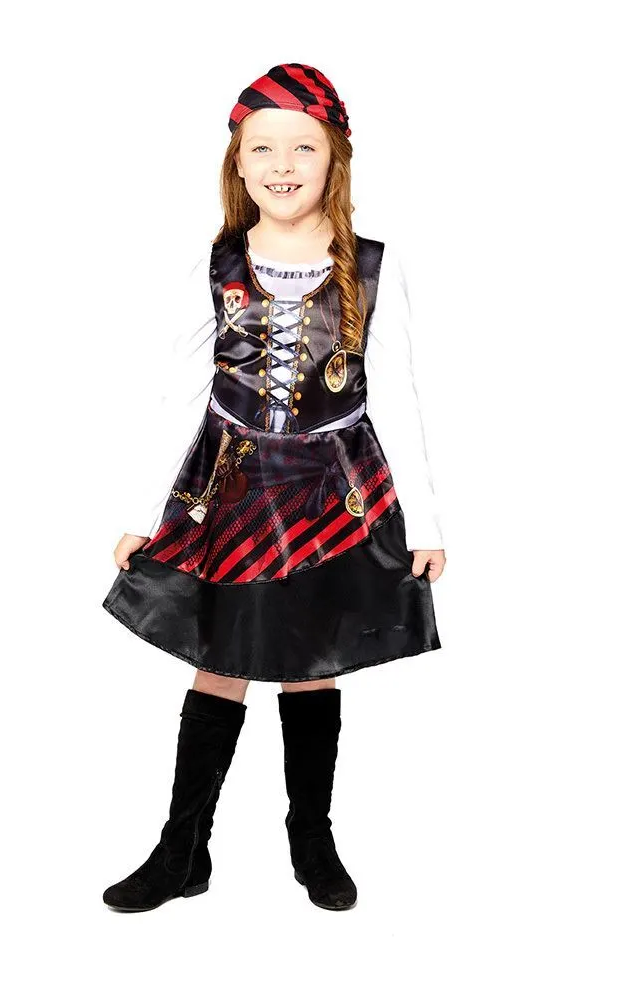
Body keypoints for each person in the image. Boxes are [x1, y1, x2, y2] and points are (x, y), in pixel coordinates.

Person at [100, 63, 446, 913]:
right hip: (231, 490)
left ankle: (311, 839)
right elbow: (182, 391)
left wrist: (425, 523)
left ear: (335, 160)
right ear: (238, 162)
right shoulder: (217, 263)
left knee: (311, 667)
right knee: (217, 663)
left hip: (331, 493)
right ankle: (182, 850)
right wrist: (143, 512)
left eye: (303, 148)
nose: (282, 164)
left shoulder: (371, 266)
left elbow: (398, 394)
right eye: (263, 148)